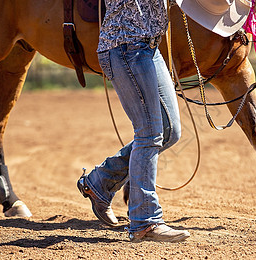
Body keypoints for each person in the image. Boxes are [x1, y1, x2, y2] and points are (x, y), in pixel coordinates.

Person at [77, 0, 190, 242]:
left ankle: (100, 181)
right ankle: (145, 221)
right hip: (127, 46)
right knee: (149, 133)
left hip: (148, 46)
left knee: (170, 131)